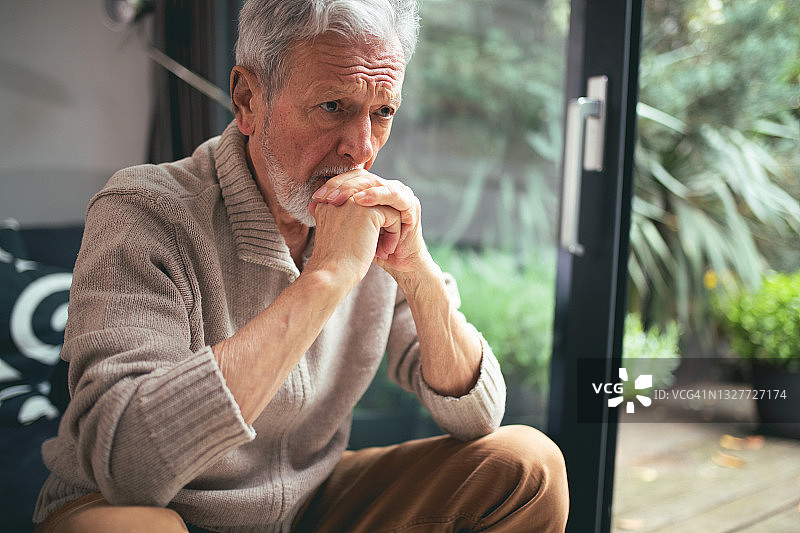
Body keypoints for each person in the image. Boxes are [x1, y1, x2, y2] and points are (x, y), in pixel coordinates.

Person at [33, 1, 569, 531]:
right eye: (334, 106)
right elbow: (130, 467)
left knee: (527, 466)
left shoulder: (368, 218)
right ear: (248, 99)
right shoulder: (143, 210)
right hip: (150, 507)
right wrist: (326, 279)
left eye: (382, 112)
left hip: (306, 504)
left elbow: (477, 416)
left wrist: (417, 271)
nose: (361, 148)